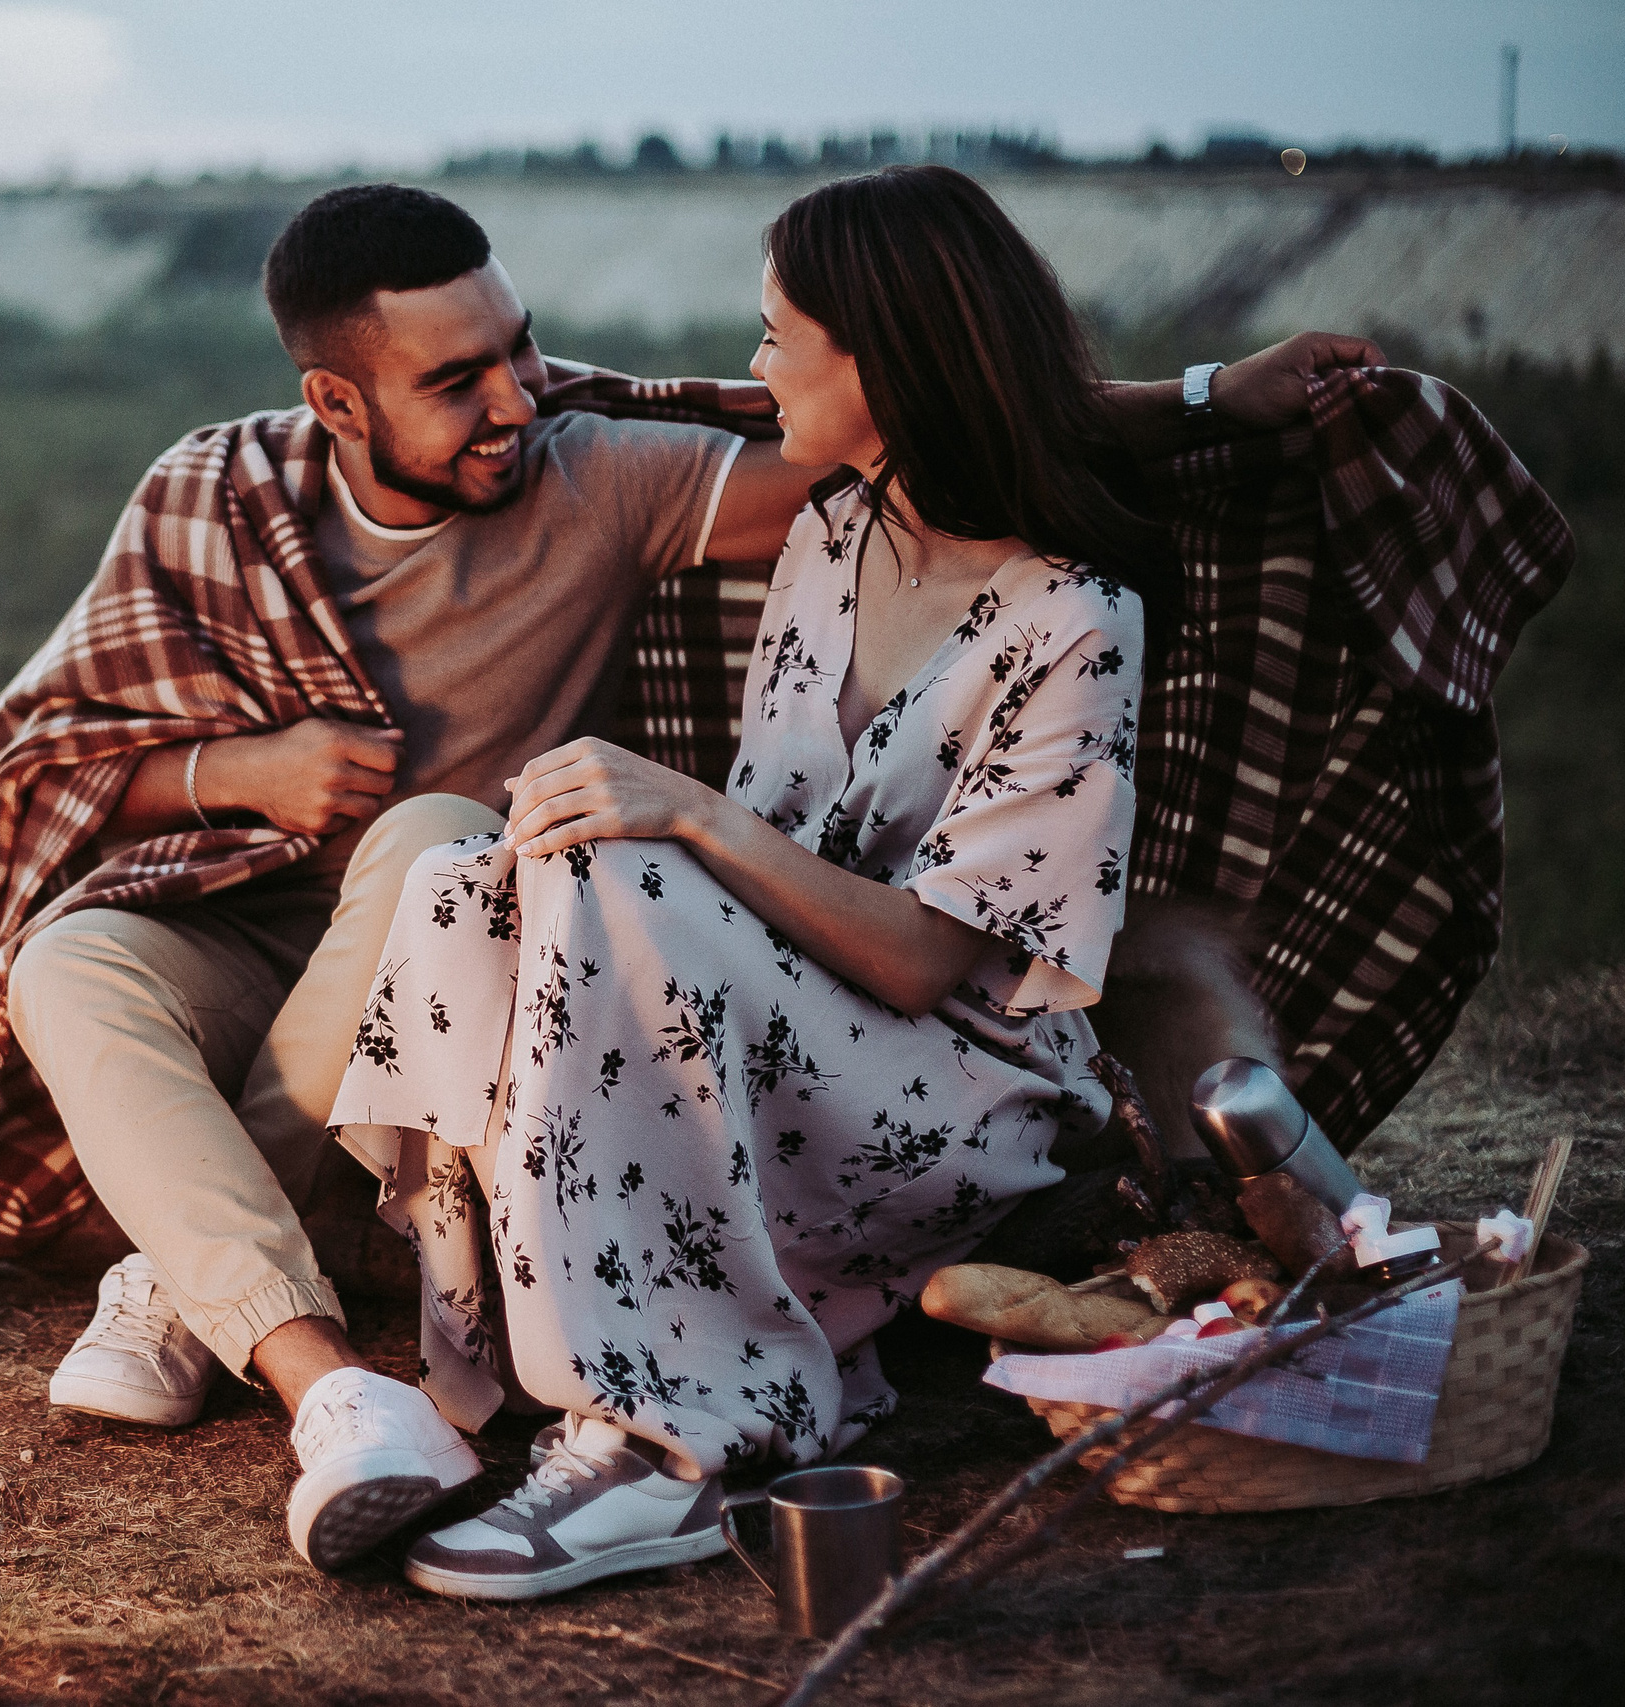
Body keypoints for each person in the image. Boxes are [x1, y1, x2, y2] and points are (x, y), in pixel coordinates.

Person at [0, 179, 1371, 1577]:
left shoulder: (957, 586)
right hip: (291, 925)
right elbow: (40, 765)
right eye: (457, 380)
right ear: (336, 399)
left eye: (520, 356)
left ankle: (603, 1423)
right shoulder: (230, 499)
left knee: (473, 845)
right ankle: (369, 1338)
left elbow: (947, 417)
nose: (518, 400)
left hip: (867, 1044)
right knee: (157, 941)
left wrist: (1202, 398)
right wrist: (239, 774)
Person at [327, 164, 1205, 1599]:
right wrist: (628, 843)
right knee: (472, 883)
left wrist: (689, 817)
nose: (757, 366)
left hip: (960, 1088)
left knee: (632, 857)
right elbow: (725, 899)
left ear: (886, 361)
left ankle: (671, 1447)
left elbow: (930, 961)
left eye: (779, 332)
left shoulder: (1077, 619)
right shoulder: (830, 538)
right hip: (773, 1036)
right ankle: (510, 1372)